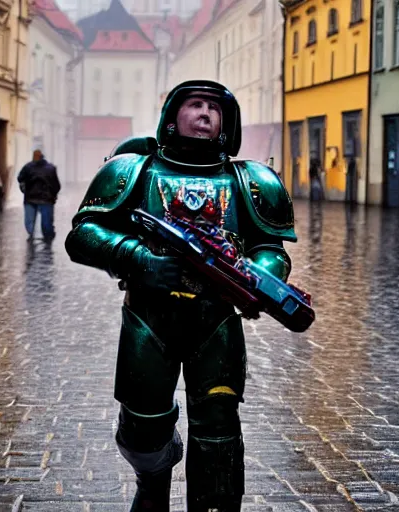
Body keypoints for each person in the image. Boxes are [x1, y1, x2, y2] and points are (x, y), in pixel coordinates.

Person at [65, 80, 297, 512]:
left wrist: (254, 278)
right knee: (142, 427)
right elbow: (83, 234)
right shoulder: (133, 170)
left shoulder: (250, 181)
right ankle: (151, 485)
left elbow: (271, 247)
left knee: (219, 428)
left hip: (217, 321)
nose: (205, 113)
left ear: (226, 124)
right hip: (148, 319)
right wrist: (139, 259)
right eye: (195, 104)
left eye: (214, 107)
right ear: (173, 116)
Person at [18, 150, 60, 242]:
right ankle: (48, 240)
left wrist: (25, 187)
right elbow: (56, 185)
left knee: (29, 223)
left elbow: (20, 178)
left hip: (30, 198)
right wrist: (53, 195)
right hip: (47, 199)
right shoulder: (51, 168)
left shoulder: (27, 167)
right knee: (47, 224)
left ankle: (31, 236)